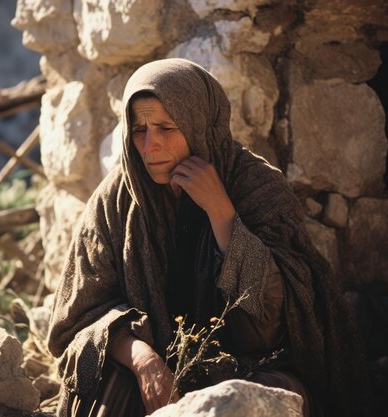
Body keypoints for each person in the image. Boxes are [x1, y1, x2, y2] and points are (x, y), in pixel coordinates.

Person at [47, 58, 367, 417]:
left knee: (268, 398)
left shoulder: (258, 188)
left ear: (198, 124)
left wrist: (221, 213)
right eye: (139, 130)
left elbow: (273, 327)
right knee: (107, 388)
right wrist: (142, 359)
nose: (150, 145)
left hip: (250, 367)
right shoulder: (116, 201)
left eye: (166, 127)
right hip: (156, 377)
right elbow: (78, 321)